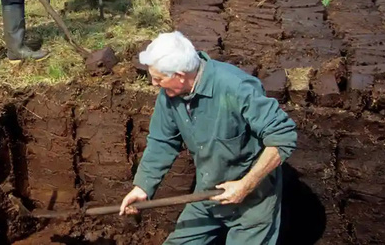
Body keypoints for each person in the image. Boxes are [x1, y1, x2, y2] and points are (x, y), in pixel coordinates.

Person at [119, 31, 297, 244]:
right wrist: (143, 188)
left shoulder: (235, 87)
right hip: (207, 194)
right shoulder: (170, 96)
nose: (154, 84)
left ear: (180, 74)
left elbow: (283, 136)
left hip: (253, 201)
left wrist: (245, 185)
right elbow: (162, 141)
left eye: (158, 79)